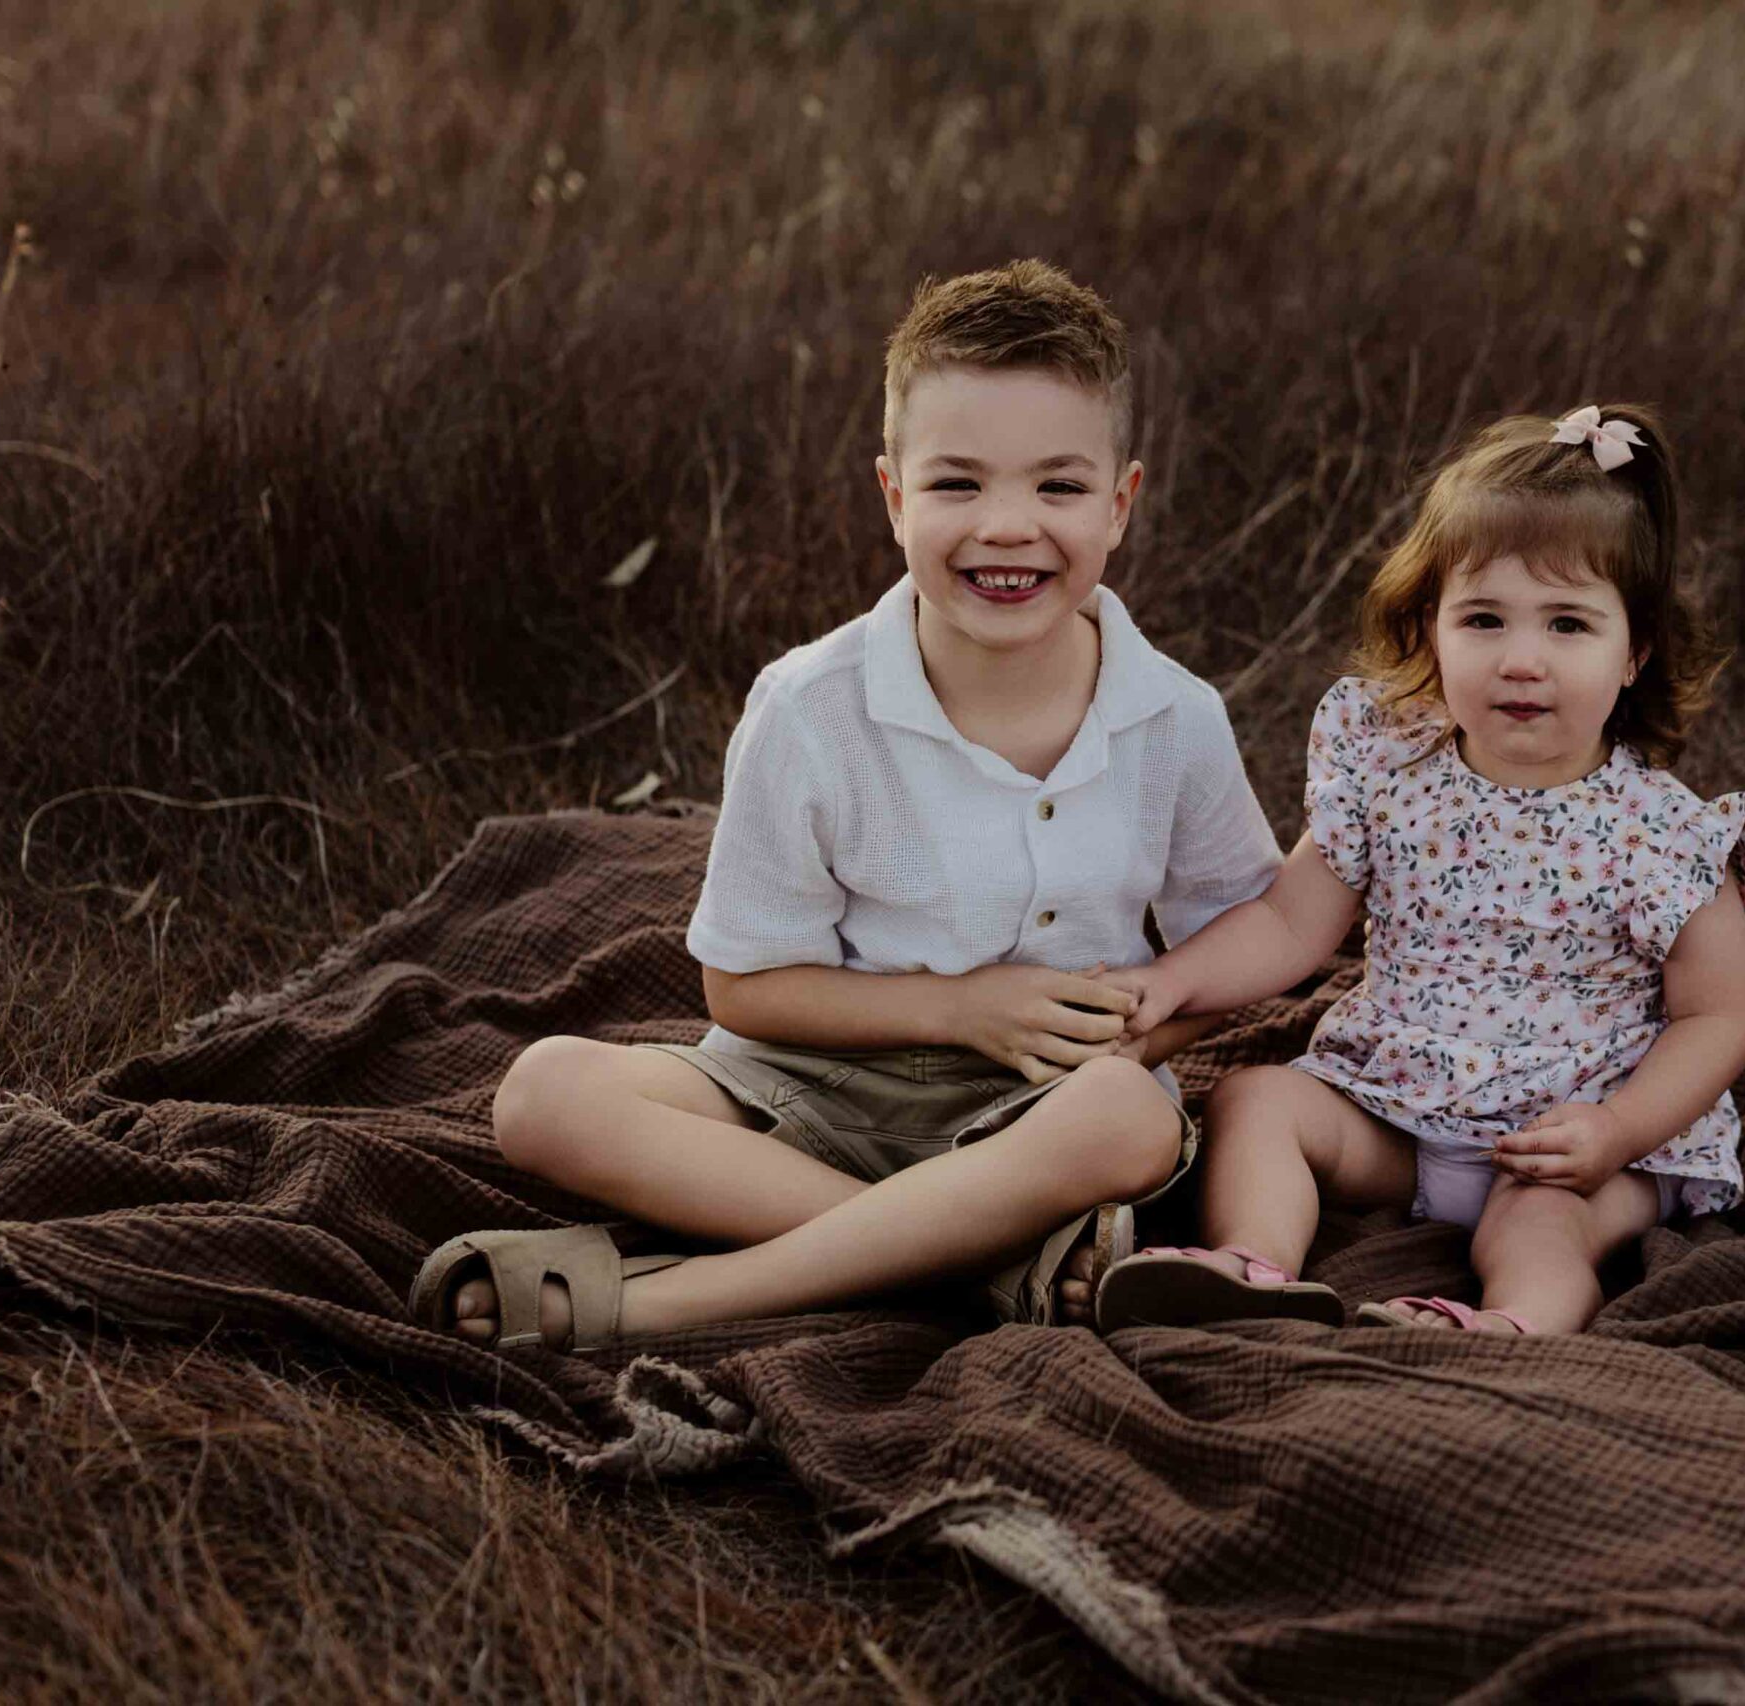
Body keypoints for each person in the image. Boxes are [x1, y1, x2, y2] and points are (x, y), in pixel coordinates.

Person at [410, 259, 1281, 1351]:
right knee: (542, 1093)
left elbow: (1243, 931)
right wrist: (959, 1008)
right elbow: (743, 986)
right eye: (957, 484)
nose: (1007, 526)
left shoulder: (1173, 716)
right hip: (804, 1097)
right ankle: (980, 1265)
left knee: (1130, 1123)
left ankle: (665, 1300)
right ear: (892, 495)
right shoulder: (811, 708)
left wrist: (1148, 1016)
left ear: (1120, 502)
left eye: (1057, 487)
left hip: (1037, 1112)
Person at [1091, 404, 1745, 1337]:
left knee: (1537, 1224)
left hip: (1572, 1136)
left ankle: (1511, 1326)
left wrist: (1618, 1132)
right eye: (1483, 618)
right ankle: (1251, 1263)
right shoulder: (1391, 770)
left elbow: (1717, 1014)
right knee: (1257, 1098)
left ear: (1633, 653)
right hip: (1403, 1108)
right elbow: (1292, 923)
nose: (1522, 659)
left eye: (1568, 625)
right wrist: (1167, 982)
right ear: (1432, 632)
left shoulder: (1665, 835)